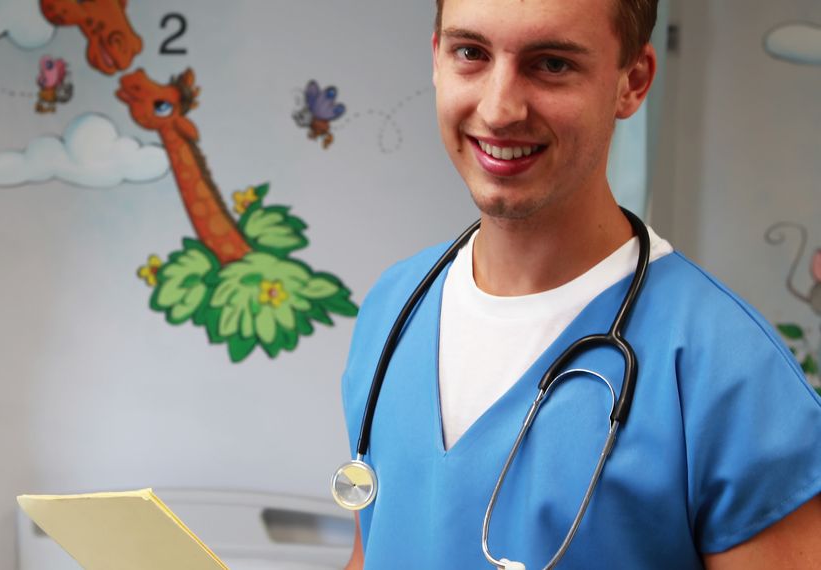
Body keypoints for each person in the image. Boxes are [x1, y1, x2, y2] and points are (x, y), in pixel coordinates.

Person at [340, 0, 821, 568]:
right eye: (471, 53)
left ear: (632, 82)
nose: (499, 109)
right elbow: (374, 552)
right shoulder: (394, 307)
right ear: (437, 58)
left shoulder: (731, 372)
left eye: (551, 65)